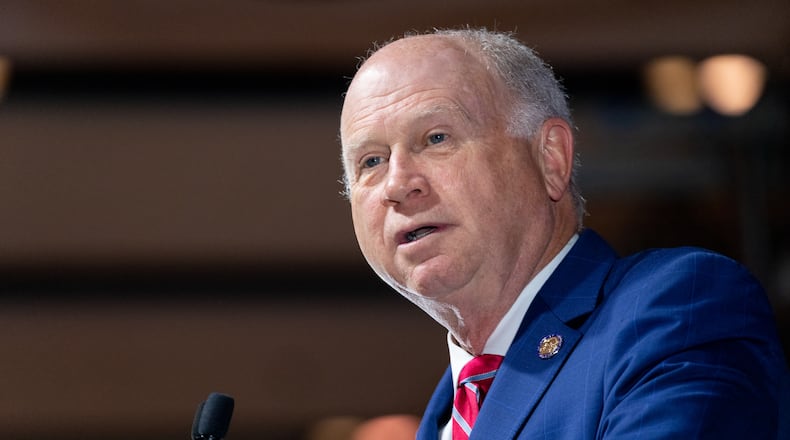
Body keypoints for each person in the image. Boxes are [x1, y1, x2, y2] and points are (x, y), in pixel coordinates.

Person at [338, 27, 788, 439]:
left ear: (550, 159)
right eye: (371, 162)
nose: (397, 184)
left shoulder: (680, 310)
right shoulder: (441, 417)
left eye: (436, 138)